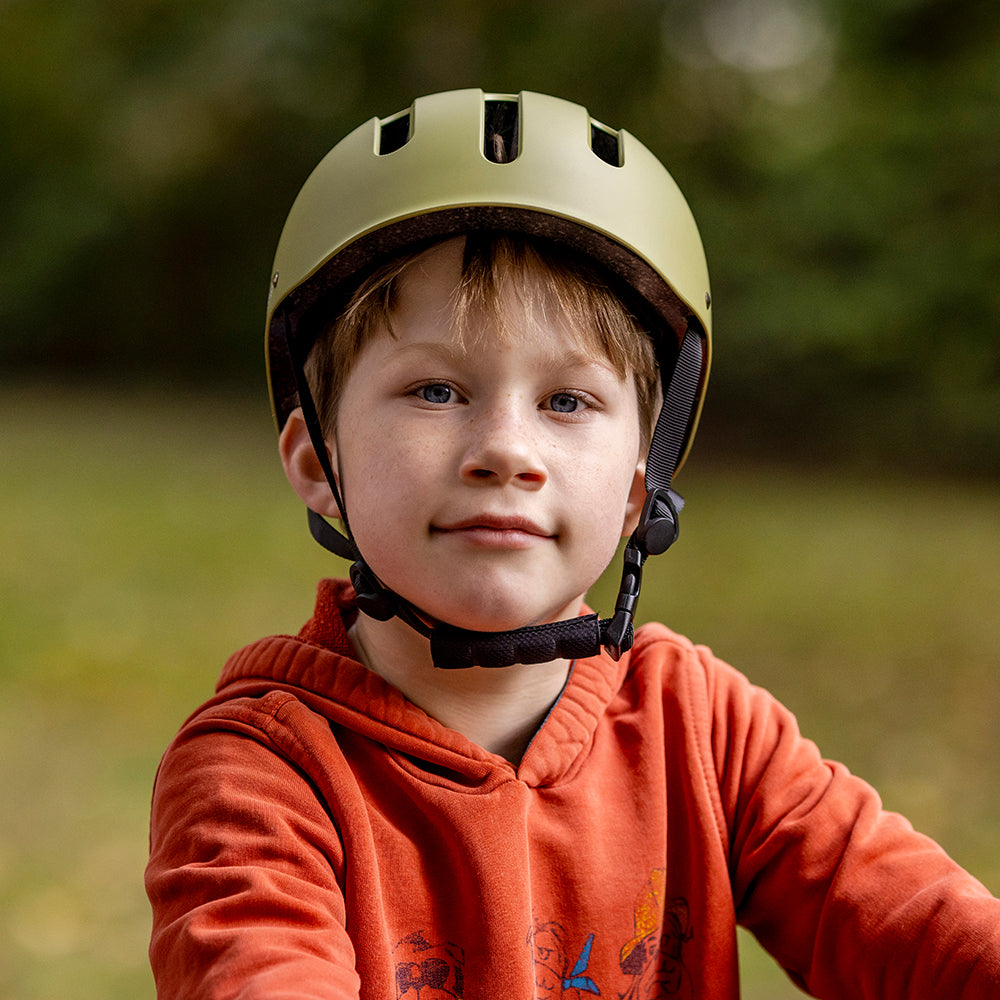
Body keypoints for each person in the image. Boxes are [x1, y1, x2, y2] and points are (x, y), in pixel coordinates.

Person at [145, 89, 1000, 999]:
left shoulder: (702, 731)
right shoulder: (259, 778)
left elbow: (920, 928)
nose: (507, 450)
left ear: (642, 480)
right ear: (318, 459)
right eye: (436, 389)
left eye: (567, 401)